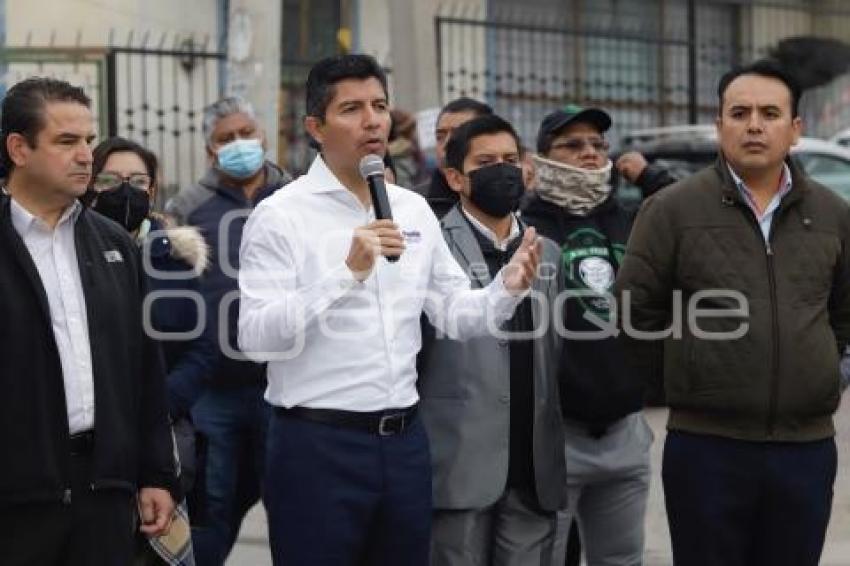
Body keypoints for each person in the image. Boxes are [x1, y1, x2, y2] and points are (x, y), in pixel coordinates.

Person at [238, 53, 542, 566]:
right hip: (317, 444)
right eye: (352, 109)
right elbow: (255, 339)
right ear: (315, 126)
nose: (373, 120)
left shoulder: (410, 207)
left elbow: (455, 315)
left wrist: (504, 289)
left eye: (379, 105)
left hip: (403, 442)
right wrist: (345, 273)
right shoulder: (279, 215)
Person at [615, 59, 850, 566]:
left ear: (795, 129)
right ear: (720, 125)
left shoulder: (833, 214)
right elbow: (634, 314)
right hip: (707, 449)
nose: (754, 125)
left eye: (770, 113)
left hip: (805, 449)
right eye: (739, 112)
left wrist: (831, 370)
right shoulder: (672, 210)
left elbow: (845, 313)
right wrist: (687, 379)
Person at [0, 77, 177, 565]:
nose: (86, 156)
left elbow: (144, 367)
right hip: (17, 502)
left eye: (88, 141)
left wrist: (157, 473)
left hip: (104, 491)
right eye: (66, 141)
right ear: (18, 147)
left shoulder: (113, 244)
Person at [520, 104, 674, 566]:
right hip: (553, 435)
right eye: (573, 144)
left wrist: (649, 176)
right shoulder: (523, 228)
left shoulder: (631, 219)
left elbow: (697, 221)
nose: (590, 153)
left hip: (626, 432)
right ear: (543, 158)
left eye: (598, 144)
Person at [418, 113, 566, 565]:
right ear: (455, 177)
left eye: (510, 159)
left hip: (533, 467)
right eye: (487, 161)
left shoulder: (549, 251)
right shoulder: (432, 245)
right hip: (460, 466)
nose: (503, 170)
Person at [169, 96, 291, 565]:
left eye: (247, 133)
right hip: (213, 389)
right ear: (209, 150)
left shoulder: (293, 196)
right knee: (210, 503)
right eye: (226, 138)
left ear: (263, 136)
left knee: (287, 500)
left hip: (282, 385)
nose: (239, 144)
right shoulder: (188, 206)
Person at [87, 136, 215, 566]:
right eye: (111, 179)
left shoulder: (175, 258)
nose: (126, 190)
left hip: (166, 433)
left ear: (154, 189)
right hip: (95, 442)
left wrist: (162, 404)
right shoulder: (74, 251)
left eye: (138, 180)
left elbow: (202, 347)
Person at [415, 97, 494, 217]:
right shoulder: (415, 204)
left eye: (458, 135)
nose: (446, 145)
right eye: (440, 136)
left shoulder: (510, 198)